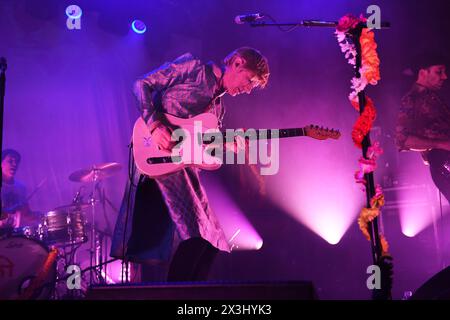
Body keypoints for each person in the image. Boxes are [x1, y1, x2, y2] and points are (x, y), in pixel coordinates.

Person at [111, 47, 270, 281]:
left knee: (213, 242)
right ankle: (177, 295)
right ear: (237, 62)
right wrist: (155, 126)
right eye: (248, 81)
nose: (247, 90)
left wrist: (229, 144)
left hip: (184, 170)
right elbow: (140, 84)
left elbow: (201, 148)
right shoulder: (193, 68)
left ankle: (190, 293)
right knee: (197, 236)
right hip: (157, 157)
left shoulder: (219, 109)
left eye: (251, 88)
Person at [395, 54, 450, 203]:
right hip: (444, 163)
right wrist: (441, 144)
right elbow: (403, 140)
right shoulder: (411, 99)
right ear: (422, 73)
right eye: (439, 71)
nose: (444, 76)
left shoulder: (433, 97)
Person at [1, 149, 34, 235]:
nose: (14, 164)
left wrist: (43, 217)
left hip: (15, 233)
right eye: (10, 161)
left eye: (16, 162)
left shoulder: (20, 187)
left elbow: (27, 213)